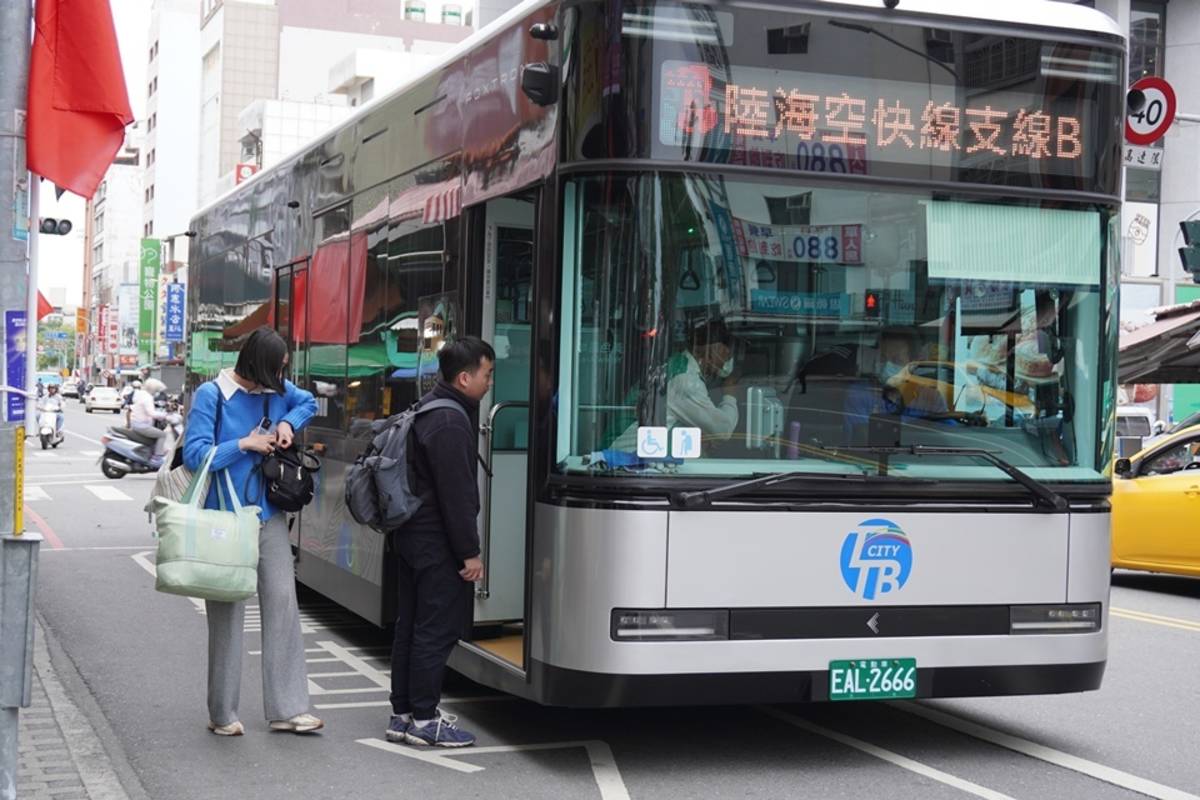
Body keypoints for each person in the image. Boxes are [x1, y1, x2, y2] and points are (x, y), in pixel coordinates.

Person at [182, 326, 322, 737]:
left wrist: (288, 427)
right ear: (258, 365)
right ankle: (222, 713)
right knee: (227, 616)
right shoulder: (213, 395)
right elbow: (195, 454)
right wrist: (244, 444)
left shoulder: (275, 391)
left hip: (269, 517)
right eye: (277, 369)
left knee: (282, 605)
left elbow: (308, 402)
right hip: (224, 521)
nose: (283, 377)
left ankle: (288, 709)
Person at [386, 336, 494, 748]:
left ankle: (403, 715)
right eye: (486, 375)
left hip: (412, 536)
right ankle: (427, 719)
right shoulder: (451, 421)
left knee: (410, 627)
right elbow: (457, 495)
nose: (488, 383)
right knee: (435, 630)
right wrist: (470, 552)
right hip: (437, 543)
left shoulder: (427, 408)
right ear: (464, 377)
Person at [610, 320, 739, 453]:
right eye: (725, 354)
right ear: (710, 351)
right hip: (624, 457)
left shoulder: (678, 365)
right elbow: (722, 430)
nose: (726, 361)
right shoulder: (686, 380)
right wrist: (730, 395)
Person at [129, 378, 169, 457]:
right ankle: (157, 457)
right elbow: (151, 413)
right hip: (141, 425)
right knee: (162, 435)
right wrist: (165, 415)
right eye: (157, 390)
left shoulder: (141, 395)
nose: (157, 393)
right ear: (153, 389)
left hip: (136, 423)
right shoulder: (147, 398)